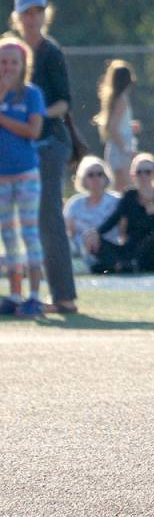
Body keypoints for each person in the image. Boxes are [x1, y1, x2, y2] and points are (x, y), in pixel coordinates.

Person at [9, 0, 77, 313]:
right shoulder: (11, 52)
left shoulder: (50, 52)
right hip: (18, 145)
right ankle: (20, 293)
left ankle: (64, 297)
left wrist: (35, 115)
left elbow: (64, 102)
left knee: (48, 217)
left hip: (50, 143)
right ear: (18, 17)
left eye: (37, 11)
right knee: (16, 222)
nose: (32, 17)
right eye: (27, 12)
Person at [0, 37, 46, 317]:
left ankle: (35, 296)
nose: (7, 67)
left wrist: (3, 118)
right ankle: (15, 294)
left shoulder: (31, 94)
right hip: (1, 177)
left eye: (13, 62)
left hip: (26, 173)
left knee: (29, 233)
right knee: (7, 236)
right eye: (3, 62)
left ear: (23, 65)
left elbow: (33, 131)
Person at [84, 153, 154, 274]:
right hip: (131, 250)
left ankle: (120, 266)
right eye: (139, 172)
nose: (143, 176)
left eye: (147, 172)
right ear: (133, 175)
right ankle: (124, 265)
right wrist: (96, 233)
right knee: (96, 239)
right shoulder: (129, 196)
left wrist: (151, 207)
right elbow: (114, 219)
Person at [63, 156, 120, 270]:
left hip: (106, 249)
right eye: (90, 175)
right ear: (83, 179)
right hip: (80, 253)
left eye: (100, 174)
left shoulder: (116, 202)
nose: (96, 178)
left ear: (106, 177)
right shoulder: (75, 204)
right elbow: (69, 232)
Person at [93, 60, 138, 192]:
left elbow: (117, 124)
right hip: (120, 149)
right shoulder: (121, 99)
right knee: (126, 187)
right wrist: (125, 149)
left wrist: (130, 126)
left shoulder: (117, 98)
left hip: (117, 147)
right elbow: (113, 128)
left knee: (119, 187)